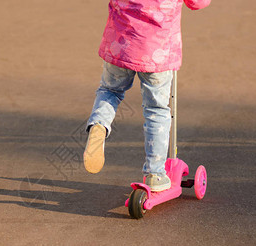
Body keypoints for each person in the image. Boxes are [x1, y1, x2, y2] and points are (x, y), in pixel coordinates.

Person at [84, 0, 211, 192]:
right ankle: (155, 173)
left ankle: (99, 125)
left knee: (110, 91)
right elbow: (198, 3)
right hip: (157, 51)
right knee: (156, 110)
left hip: (120, 44)